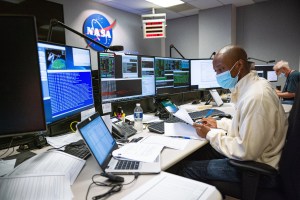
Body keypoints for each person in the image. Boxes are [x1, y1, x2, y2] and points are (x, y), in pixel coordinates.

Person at [177, 45, 288, 187]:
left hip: (257, 167)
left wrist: (210, 134)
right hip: (258, 156)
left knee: (185, 168)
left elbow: (246, 151)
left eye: (221, 69)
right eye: (216, 71)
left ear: (239, 65)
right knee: (200, 153)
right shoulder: (255, 86)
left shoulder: (256, 97)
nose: (218, 75)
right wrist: (219, 124)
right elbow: (246, 125)